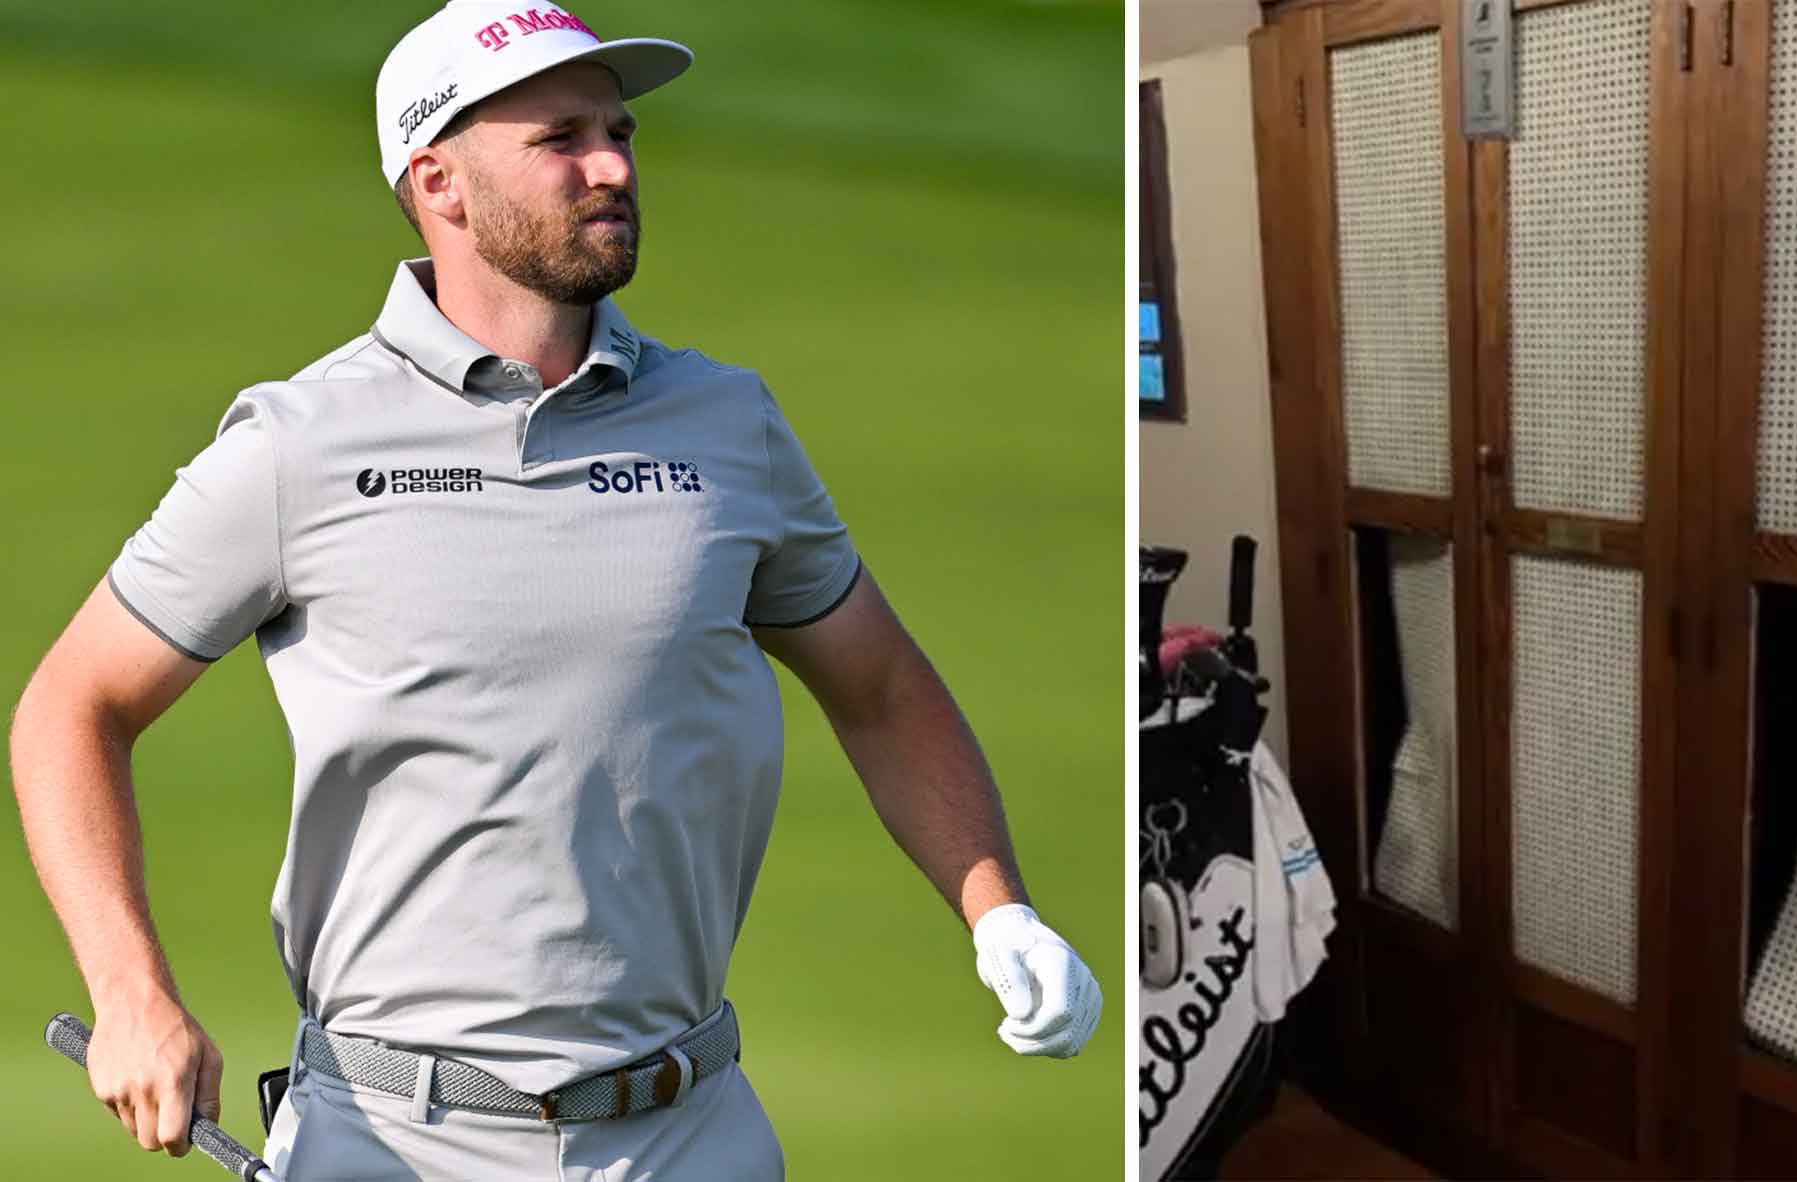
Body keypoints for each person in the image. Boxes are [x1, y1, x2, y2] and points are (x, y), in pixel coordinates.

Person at [7, 3, 1102, 1178]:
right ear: (441, 182)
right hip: (395, 1141)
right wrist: (129, 992)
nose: (614, 166)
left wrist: (1001, 910)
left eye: (620, 132)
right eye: (561, 138)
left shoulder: (729, 423)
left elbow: (881, 688)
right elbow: (72, 706)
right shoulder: (301, 444)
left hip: (694, 1132)